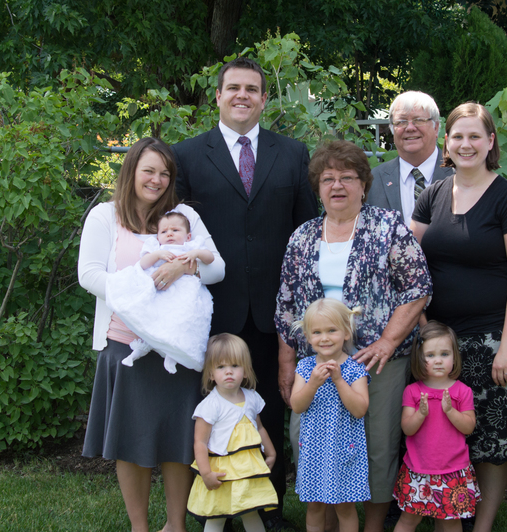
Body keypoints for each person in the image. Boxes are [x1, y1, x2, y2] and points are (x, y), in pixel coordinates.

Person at [173, 57, 317, 530]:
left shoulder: (292, 154)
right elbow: (174, 233)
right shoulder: (187, 155)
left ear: (264, 98)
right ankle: (212, 506)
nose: (242, 96)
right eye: (233, 88)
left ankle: (267, 509)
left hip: (273, 311)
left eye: (252, 89)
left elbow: (305, 234)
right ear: (217, 96)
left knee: (267, 409)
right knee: (208, 412)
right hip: (210, 309)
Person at [275, 140, 432, 532]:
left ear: (363, 184)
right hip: (317, 360)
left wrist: (388, 341)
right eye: (328, 178)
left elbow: (418, 288)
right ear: (318, 188)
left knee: (377, 444)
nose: (337, 185)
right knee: (308, 440)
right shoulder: (302, 237)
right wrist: (287, 361)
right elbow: (286, 305)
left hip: (376, 359)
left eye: (347, 177)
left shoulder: (388, 227)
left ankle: (373, 525)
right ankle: (326, 522)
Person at [78, 137, 226, 532]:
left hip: (178, 348)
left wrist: (183, 267)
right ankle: (139, 527)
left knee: (179, 440)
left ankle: (175, 525)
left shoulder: (183, 217)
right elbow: (89, 275)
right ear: (131, 171)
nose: (156, 180)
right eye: (149, 170)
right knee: (130, 443)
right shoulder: (105, 216)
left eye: (164, 173)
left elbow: (217, 269)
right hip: (125, 344)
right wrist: (140, 289)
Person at [410, 102, 507, 532]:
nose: (466, 145)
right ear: (446, 142)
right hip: (438, 341)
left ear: (490, 142)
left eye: (475, 136)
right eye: (458, 136)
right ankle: (445, 514)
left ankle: (480, 526)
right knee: (438, 428)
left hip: (491, 339)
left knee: (491, 442)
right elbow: (410, 265)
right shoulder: (433, 194)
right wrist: (423, 324)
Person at [291, 299, 371, 532]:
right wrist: (312, 384)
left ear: (346, 333)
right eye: (317, 332)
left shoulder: (355, 368)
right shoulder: (305, 367)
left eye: (331, 330)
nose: (324, 338)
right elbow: (297, 405)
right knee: (314, 506)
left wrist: (338, 380)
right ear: (308, 337)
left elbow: (359, 409)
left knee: (345, 507)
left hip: (345, 449)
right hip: (314, 450)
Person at [393, 321, 480, 532]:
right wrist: (421, 414)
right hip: (418, 469)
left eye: (444, 354)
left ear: (454, 356)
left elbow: (468, 427)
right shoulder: (413, 391)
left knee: (451, 522)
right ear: (418, 358)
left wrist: (450, 411)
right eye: (430, 355)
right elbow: (407, 429)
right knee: (408, 520)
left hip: (453, 470)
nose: (438, 360)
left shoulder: (462, 391)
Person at [188, 333, 278, 532]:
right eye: (221, 367)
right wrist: (206, 473)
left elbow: (259, 427)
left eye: (235, 366)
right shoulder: (210, 405)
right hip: (221, 472)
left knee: (251, 510)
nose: (228, 372)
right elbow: (200, 442)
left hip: (247, 470)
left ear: (245, 371)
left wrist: (271, 453)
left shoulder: (252, 398)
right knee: (217, 514)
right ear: (211, 374)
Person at [105, 211, 215, 373]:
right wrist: (157, 255)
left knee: (182, 319)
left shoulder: (192, 246)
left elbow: (210, 258)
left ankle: (173, 353)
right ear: (158, 236)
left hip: (185, 292)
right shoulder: (157, 247)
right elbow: (142, 264)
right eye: (164, 231)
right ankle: (141, 347)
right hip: (162, 292)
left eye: (175, 230)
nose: (169, 233)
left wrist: (196, 253)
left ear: (188, 236)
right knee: (152, 317)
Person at [368, 91, 454, 224]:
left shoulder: (458, 174)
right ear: (392, 129)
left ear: (436, 128)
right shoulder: (374, 180)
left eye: (418, 120)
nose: (410, 128)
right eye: (401, 122)